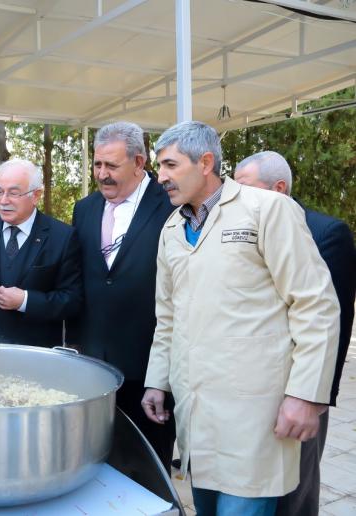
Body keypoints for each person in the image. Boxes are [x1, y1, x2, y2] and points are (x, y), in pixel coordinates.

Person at [142, 121, 339, 516]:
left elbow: (315, 304)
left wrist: (304, 395)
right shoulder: (171, 230)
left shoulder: (268, 210)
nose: (159, 176)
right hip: (196, 413)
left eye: (169, 164)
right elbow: (168, 317)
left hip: (254, 413)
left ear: (206, 162)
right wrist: (156, 382)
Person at [235, 151, 356, 516]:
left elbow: (333, 322)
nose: (237, 200)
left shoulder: (324, 233)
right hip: (251, 388)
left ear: (280, 188)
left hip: (299, 389)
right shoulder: (243, 230)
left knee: (294, 495)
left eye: (245, 190)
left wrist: (312, 398)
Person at [69, 121, 176, 469]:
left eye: (112, 165)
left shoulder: (172, 208)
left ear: (139, 163)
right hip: (93, 365)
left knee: (147, 469)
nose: (102, 174)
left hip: (150, 370)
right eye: (97, 164)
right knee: (99, 463)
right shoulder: (83, 209)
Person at [0, 158, 82, 347]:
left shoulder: (63, 237)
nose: (3, 201)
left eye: (13, 193)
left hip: (36, 354)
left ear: (36, 195)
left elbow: (72, 300)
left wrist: (26, 301)